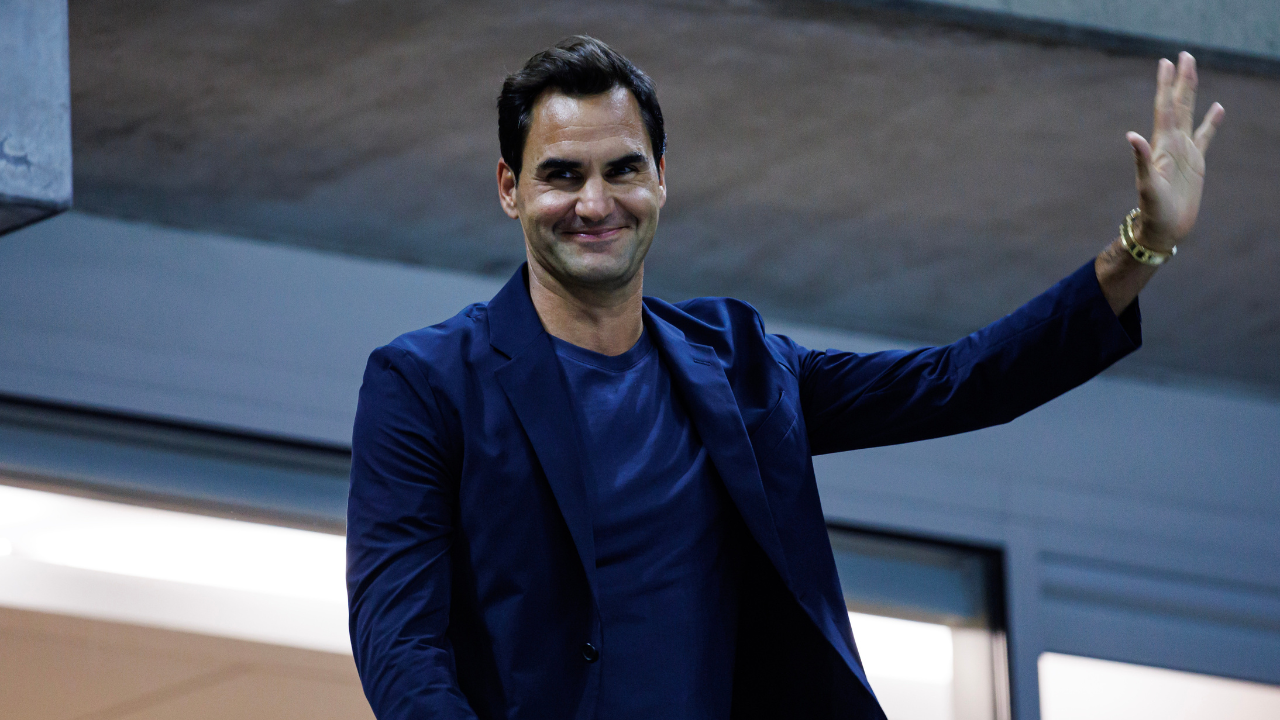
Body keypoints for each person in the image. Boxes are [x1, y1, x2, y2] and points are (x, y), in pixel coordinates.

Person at [346, 36, 1224, 720]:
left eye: (623, 170)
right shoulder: (425, 384)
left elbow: (962, 380)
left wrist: (1143, 243)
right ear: (509, 188)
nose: (594, 202)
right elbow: (399, 643)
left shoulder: (739, 361)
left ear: (662, 180)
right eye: (560, 175)